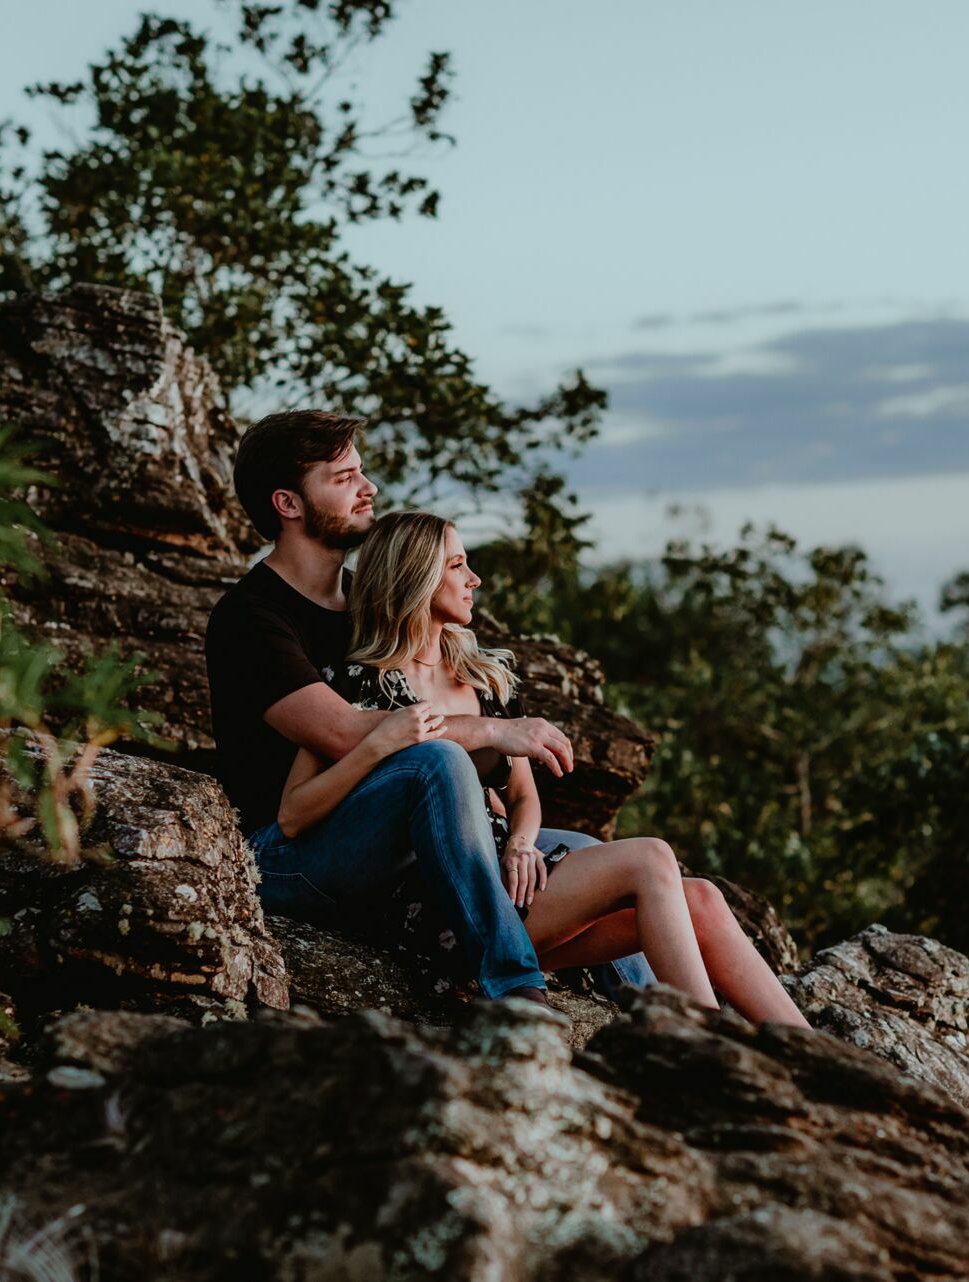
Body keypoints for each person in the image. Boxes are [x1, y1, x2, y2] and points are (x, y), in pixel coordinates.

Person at [275, 509, 808, 1027]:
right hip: (441, 905)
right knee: (650, 859)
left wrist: (522, 844)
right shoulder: (356, 684)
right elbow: (295, 813)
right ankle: (704, 1054)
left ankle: (813, 1058)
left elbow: (525, 796)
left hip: (510, 881)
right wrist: (378, 748)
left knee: (704, 900)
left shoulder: (481, 681)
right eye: (458, 565)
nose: (474, 578)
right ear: (417, 575)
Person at [203, 409, 654, 1008]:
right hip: (290, 855)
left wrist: (489, 800)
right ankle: (516, 987)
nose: (369, 489)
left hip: (391, 838)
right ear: (288, 503)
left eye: (362, 471)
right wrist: (492, 732)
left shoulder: (369, 607)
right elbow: (350, 734)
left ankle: (643, 1012)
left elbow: (424, 688)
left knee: (592, 853)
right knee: (437, 761)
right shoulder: (253, 620)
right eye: (343, 478)